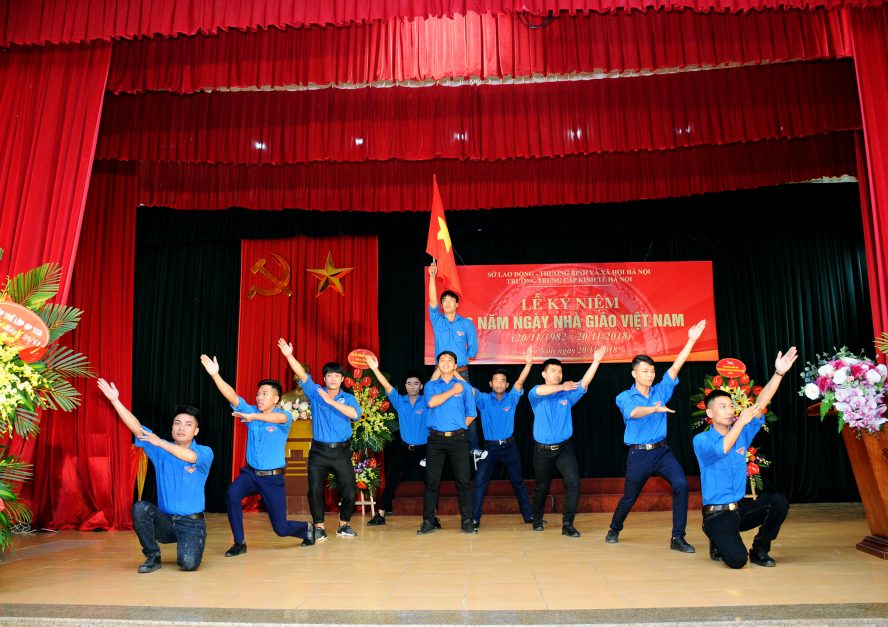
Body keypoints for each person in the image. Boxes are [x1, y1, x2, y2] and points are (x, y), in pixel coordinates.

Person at [605, 319, 707, 553]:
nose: (650, 375)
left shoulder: (660, 390)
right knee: (629, 497)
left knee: (681, 484)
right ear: (634, 373)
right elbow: (633, 413)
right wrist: (654, 409)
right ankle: (614, 527)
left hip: (662, 452)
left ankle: (677, 537)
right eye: (645, 371)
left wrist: (691, 340)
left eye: (652, 371)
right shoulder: (624, 396)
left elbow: (675, 368)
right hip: (639, 455)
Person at [201, 354, 314, 555]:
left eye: (264, 394)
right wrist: (215, 375)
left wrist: (253, 417)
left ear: (276, 399)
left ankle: (308, 529)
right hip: (251, 474)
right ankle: (239, 542)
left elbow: (279, 418)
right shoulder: (250, 410)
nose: (259, 397)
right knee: (232, 494)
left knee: (281, 528)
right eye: (258, 394)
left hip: (273, 479)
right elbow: (232, 396)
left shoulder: (284, 415)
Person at [97, 378, 213, 573]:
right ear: (172, 427)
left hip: (191, 523)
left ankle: (190, 542)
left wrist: (160, 443)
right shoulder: (160, 449)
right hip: (165, 521)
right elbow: (137, 428)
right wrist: (115, 401)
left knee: (188, 564)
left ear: (196, 431)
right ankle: (153, 554)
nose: (181, 428)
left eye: (188, 425)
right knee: (140, 508)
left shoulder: (205, 452)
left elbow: (190, 457)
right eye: (177, 423)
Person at [694, 347, 796, 568]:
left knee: (778, 502)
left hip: (739, 510)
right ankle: (716, 537)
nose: (729, 411)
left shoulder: (741, 433)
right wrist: (740, 422)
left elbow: (761, 403)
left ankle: (760, 549)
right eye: (723, 407)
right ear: (710, 414)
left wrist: (778, 374)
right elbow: (723, 448)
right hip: (717, 515)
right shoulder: (701, 440)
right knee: (738, 561)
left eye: (731, 406)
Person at [278, 339, 362, 538]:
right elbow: (302, 375)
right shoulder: (316, 393)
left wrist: (331, 403)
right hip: (319, 451)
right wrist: (289, 355)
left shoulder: (348, 398)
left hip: (341, 450)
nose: (333, 379)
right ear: (324, 378)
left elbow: (355, 415)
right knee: (314, 490)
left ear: (342, 379)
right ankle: (319, 527)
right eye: (329, 375)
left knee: (350, 491)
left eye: (336, 376)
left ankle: (344, 524)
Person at [529, 347, 607, 537]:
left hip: (564, 448)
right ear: (544, 374)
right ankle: (537, 519)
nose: (557, 374)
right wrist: (562, 386)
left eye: (560, 371)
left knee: (573, 483)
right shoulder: (536, 394)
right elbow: (540, 390)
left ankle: (568, 524)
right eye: (553, 371)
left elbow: (583, 383)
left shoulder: (567, 395)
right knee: (542, 486)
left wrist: (596, 361)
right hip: (542, 450)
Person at [364, 356, 438, 527]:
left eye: (416, 384)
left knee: (431, 483)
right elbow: (386, 386)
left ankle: (432, 517)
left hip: (424, 450)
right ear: (405, 386)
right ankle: (380, 514)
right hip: (404, 449)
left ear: (421, 386)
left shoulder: (427, 401)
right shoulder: (400, 401)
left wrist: (440, 368)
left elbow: (433, 381)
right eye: (409, 383)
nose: (412, 386)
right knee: (391, 482)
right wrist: (375, 369)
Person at [427, 260, 485, 466]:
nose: (447, 302)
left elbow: (473, 349)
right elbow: (432, 300)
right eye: (444, 300)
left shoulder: (466, 324)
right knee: (431, 403)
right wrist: (432, 276)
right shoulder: (437, 320)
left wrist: (461, 360)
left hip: (460, 371)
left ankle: (474, 448)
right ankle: (429, 447)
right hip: (439, 371)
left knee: (469, 406)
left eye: (451, 300)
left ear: (457, 304)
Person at [470, 347, 535, 528]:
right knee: (480, 482)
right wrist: (453, 372)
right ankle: (474, 519)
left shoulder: (511, 398)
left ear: (507, 385)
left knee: (518, 481)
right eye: (496, 380)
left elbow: (520, 382)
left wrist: (529, 364)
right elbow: (467, 388)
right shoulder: (483, 399)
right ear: (491, 383)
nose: (499, 383)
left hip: (509, 447)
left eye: (503, 380)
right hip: (490, 448)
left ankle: (529, 516)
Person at [418, 350, 477, 535]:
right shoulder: (431, 385)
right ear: (438, 365)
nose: (445, 362)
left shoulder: (465, 387)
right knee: (432, 482)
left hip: (458, 440)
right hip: (436, 440)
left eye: (449, 360)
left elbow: (472, 413)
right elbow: (431, 403)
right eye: (442, 360)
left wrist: (459, 427)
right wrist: (452, 391)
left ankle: (467, 520)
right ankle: (429, 521)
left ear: (455, 365)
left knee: (463, 481)